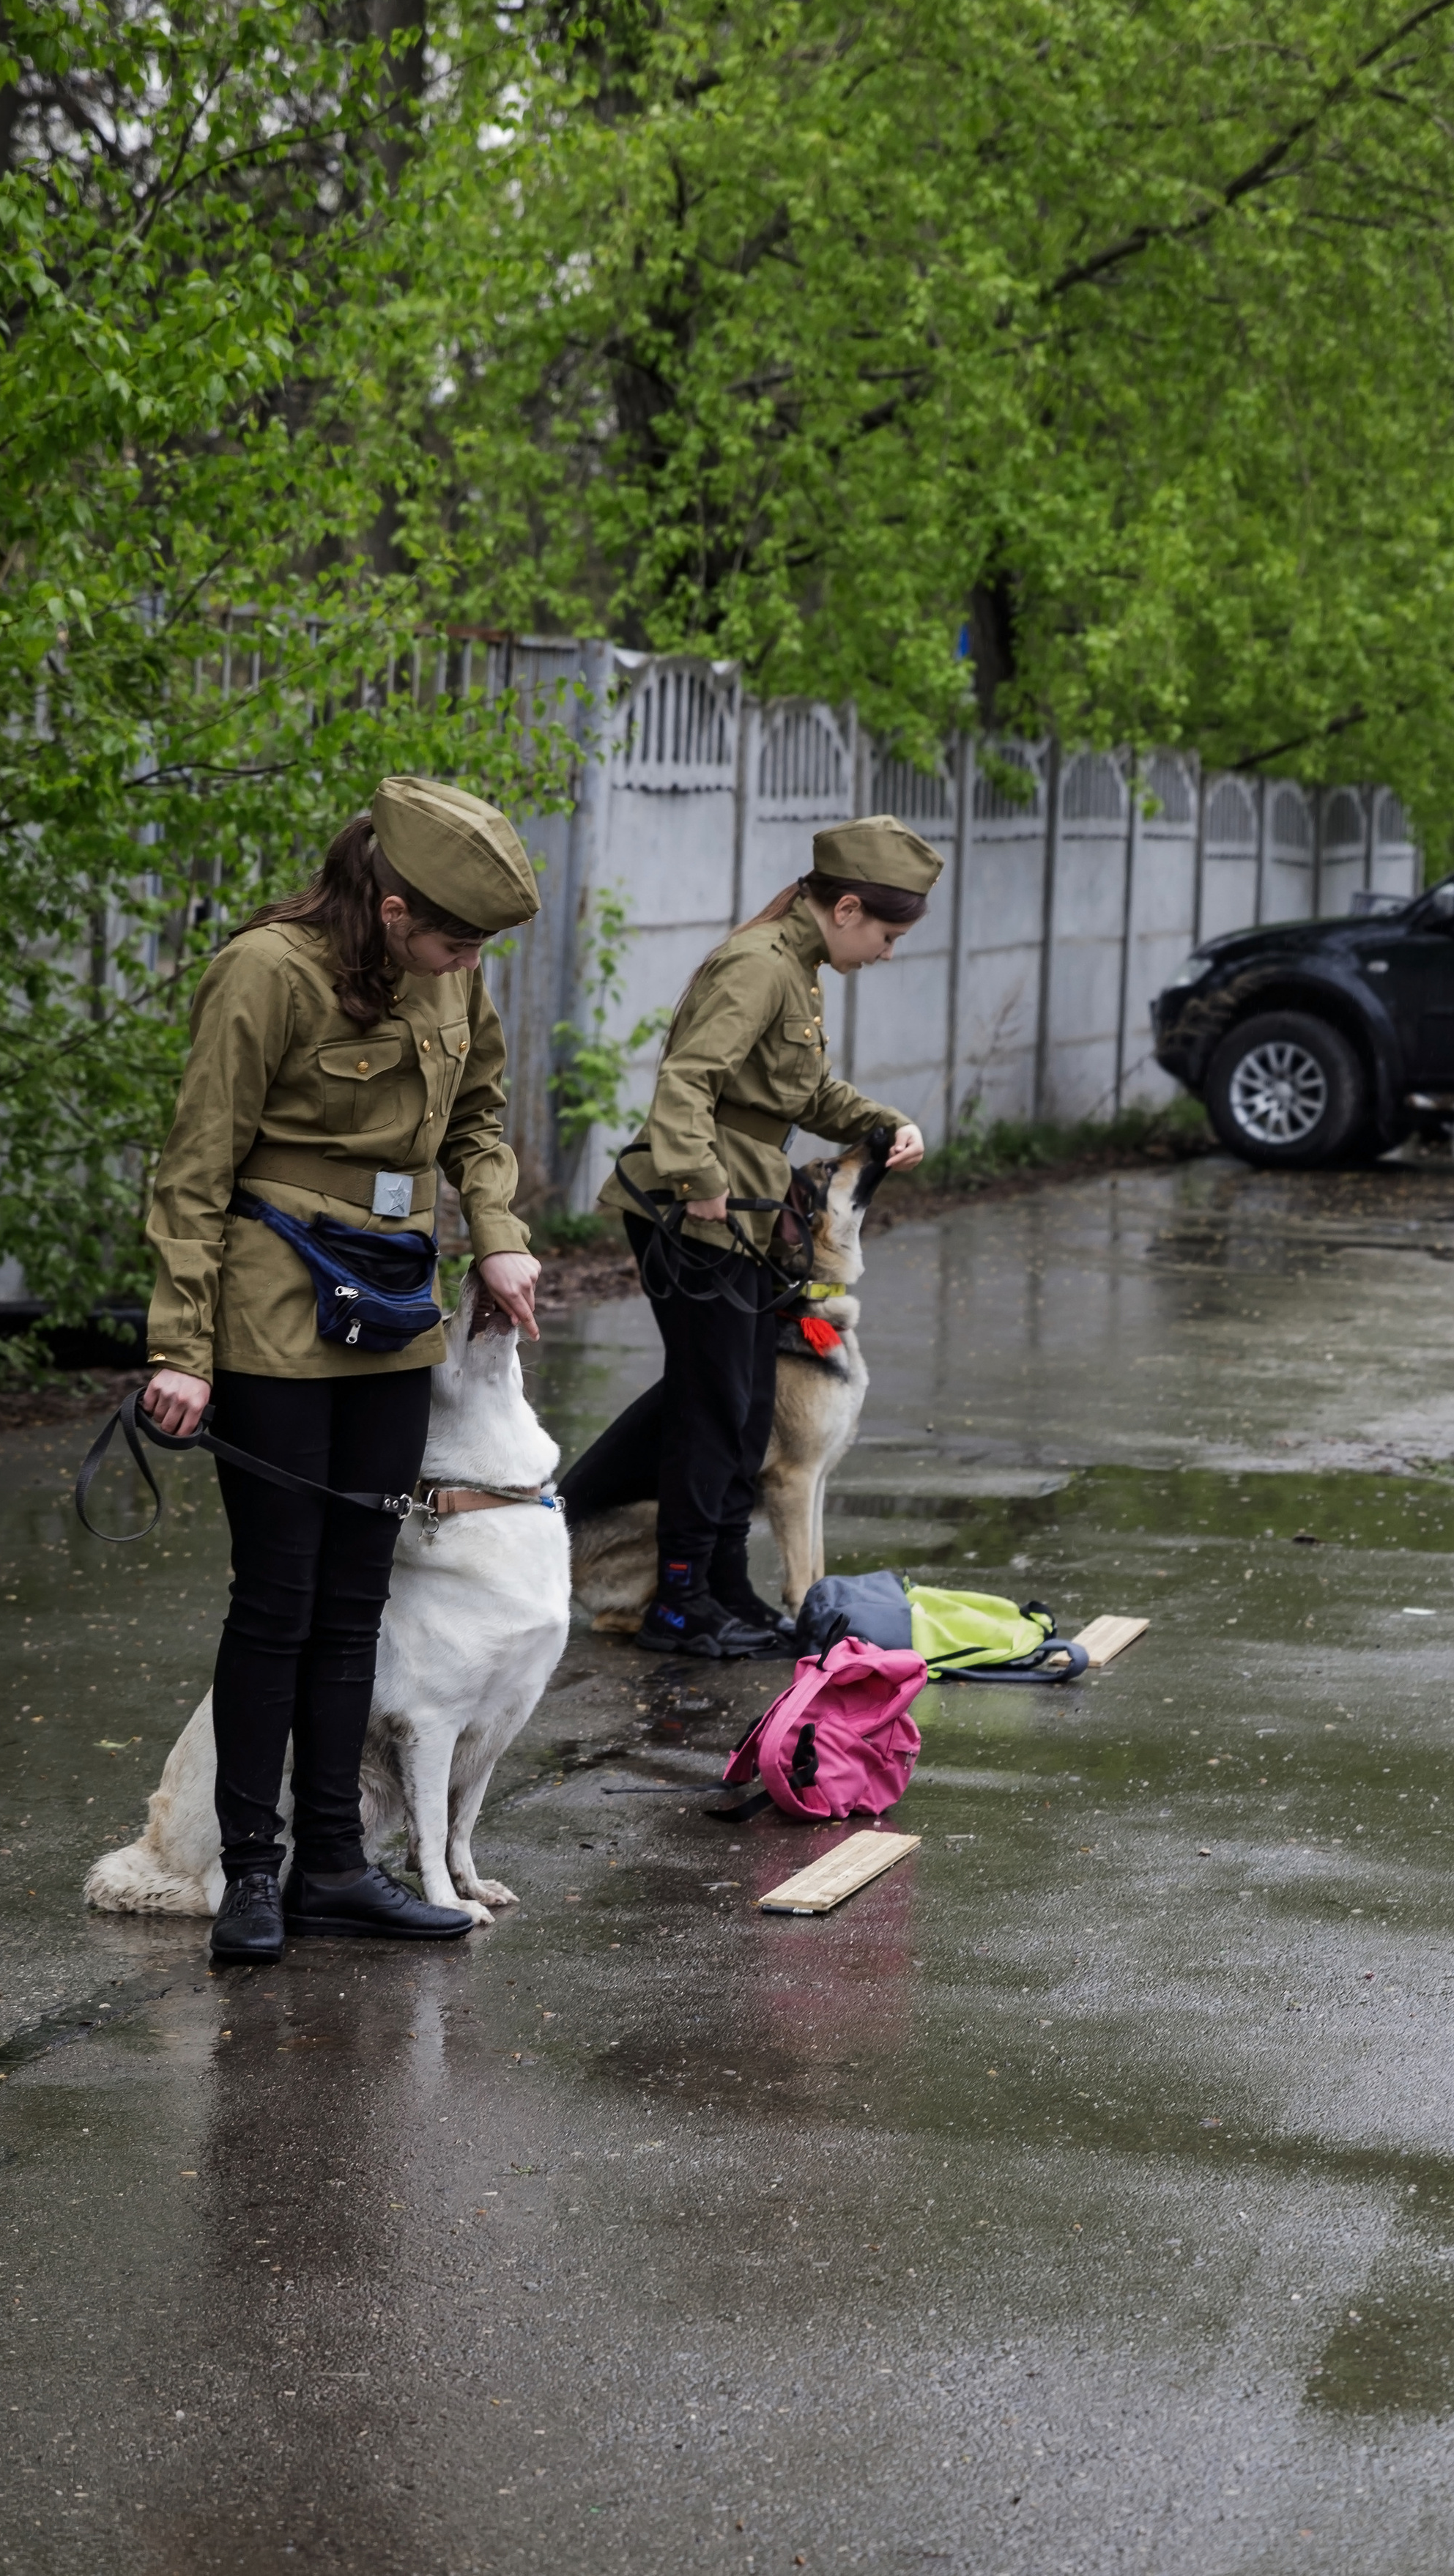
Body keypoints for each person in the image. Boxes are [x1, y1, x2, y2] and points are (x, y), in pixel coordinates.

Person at [139, 776, 544, 1964]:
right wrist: (182, 1348)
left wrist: (502, 1236)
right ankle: (252, 1874)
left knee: (357, 1599)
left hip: (396, 1310)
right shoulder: (268, 970)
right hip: (274, 1313)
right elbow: (194, 1169)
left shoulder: (453, 969)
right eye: (453, 936)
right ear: (390, 902)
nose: (467, 959)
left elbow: (477, 1120)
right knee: (278, 1601)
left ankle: (332, 1865)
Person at [565, 813, 943, 1657]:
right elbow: (686, 1082)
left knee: (746, 1408)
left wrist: (882, 1122)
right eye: (887, 932)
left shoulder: (797, 970)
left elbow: (800, 1096)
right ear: (846, 909)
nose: (888, 950)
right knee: (713, 1407)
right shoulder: (757, 965)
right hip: (687, 1209)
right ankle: (676, 1601)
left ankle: (723, 1588)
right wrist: (701, 1184)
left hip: (742, 1213)